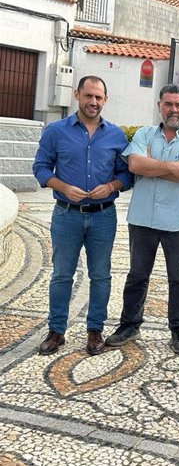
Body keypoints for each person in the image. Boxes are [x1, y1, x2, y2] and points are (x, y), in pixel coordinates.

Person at [105, 84, 179, 355]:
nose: (173, 109)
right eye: (168, 104)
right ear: (159, 106)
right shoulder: (143, 134)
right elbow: (134, 165)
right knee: (137, 275)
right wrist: (173, 167)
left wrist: (152, 167)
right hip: (142, 219)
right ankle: (130, 324)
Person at [32, 75, 130, 356]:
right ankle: (56, 331)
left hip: (103, 216)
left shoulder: (116, 135)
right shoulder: (55, 132)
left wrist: (112, 186)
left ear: (105, 100)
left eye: (99, 97)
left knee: (101, 275)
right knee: (62, 275)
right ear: (77, 95)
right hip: (66, 215)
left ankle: (95, 331)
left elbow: (127, 174)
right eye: (89, 96)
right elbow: (40, 167)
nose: (93, 102)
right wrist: (62, 186)